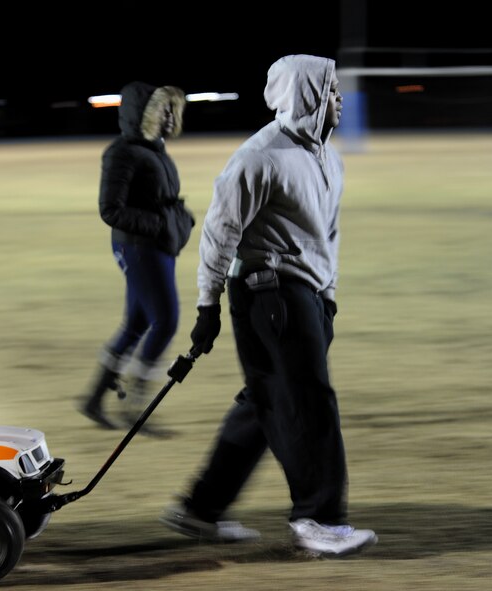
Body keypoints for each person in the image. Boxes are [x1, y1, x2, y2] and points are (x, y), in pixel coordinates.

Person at [159, 55, 378, 557]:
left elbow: (329, 234)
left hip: (309, 296)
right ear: (307, 94)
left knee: (265, 402)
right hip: (268, 292)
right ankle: (318, 518)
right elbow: (219, 233)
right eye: (329, 89)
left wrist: (329, 295)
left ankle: (200, 509)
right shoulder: (260, 157)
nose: (338, 98)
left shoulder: (327, 155)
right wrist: (206, 305)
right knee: (308, 403)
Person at [78, 81, 195, 437]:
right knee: (166, 321)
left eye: (172, 109)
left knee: (136, 323)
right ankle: (134, 408)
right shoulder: (122, 152)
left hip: (156, 245)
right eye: (162, 109)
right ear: (142, 114)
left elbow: (161, 197)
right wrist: (161, 224)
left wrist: (178, 218)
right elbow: (110, 209)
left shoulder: (155, 149)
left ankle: (95, 399)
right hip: (139, 247)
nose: (169, 116)